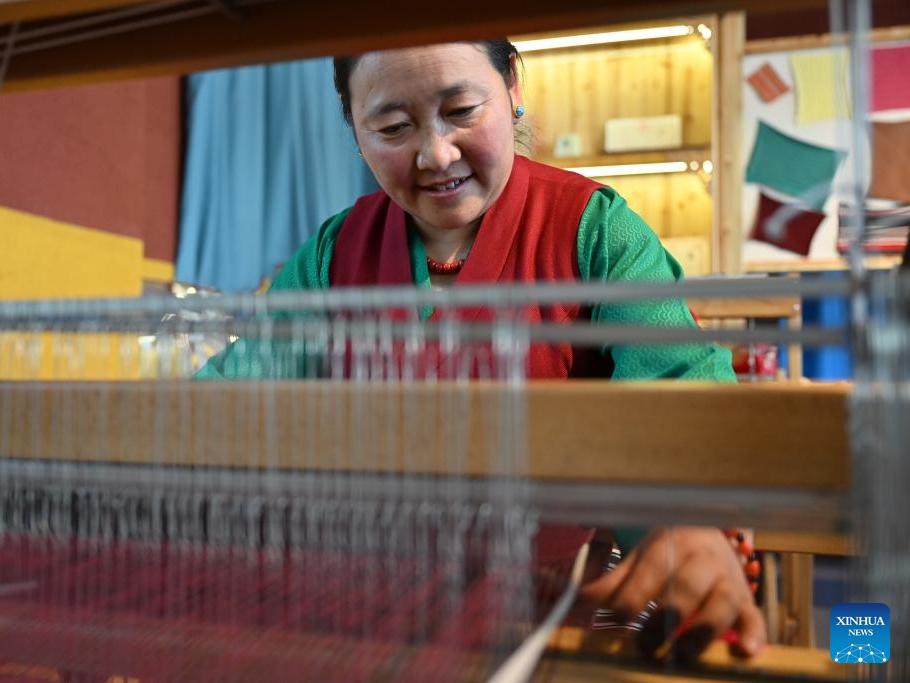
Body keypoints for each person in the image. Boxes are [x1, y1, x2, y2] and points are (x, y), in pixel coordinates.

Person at [197, 40, 766, 660]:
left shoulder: (596, 234)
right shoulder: (332, 257)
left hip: (566, 629)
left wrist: (690, 522)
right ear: (353, 129)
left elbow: (678, 403)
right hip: (372, 627)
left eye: (462, 110)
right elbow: (225, 408)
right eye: (392, 126)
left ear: (512, 88)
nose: (436, 154)